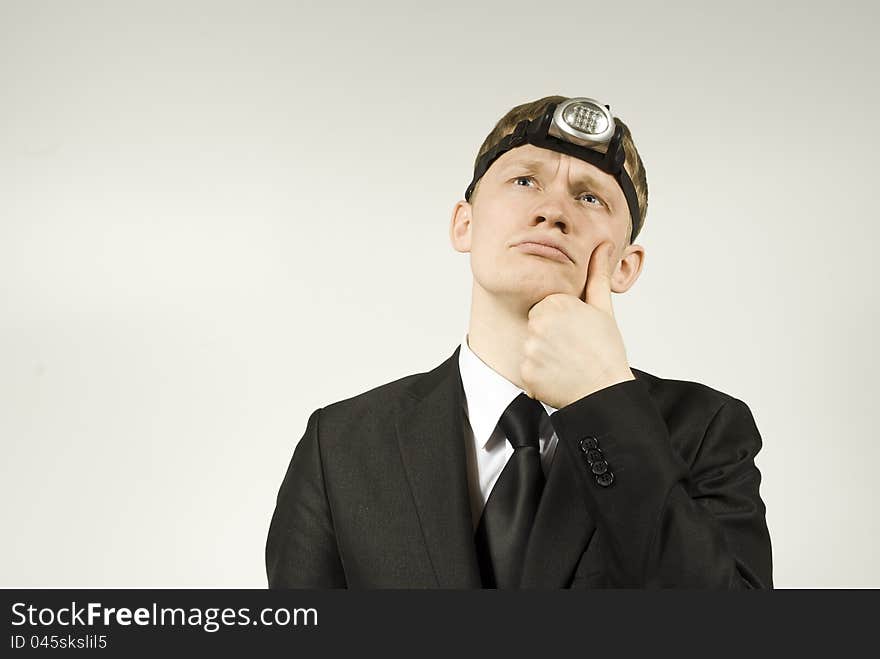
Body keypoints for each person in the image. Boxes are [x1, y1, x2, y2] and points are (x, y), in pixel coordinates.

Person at [265, 95, 773, 589]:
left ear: (625, 265)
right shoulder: (342, 444)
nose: (553, 211)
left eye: (589, 196)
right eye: (524, 180)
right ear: (464, 224)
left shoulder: (705, 430)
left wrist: (604, 406)